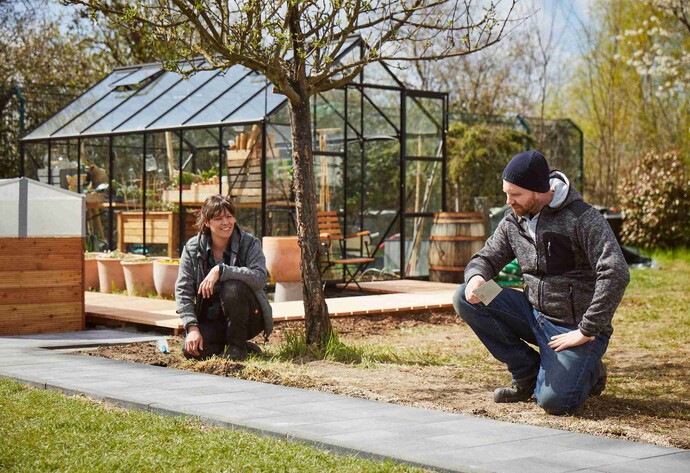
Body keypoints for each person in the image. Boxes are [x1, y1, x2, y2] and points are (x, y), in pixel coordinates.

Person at [453, 150, 629, 415]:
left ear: (538, 190)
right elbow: (486, 257)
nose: (508, 201)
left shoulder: (582, 217)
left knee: (555, 403)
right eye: (506, 193)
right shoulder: (513, 220)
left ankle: (590, 369)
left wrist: (587, 330)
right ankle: (526, 373)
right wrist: (476, 277)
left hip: (574, 328)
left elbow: (615, 271)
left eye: (515, 194)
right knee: (464, 296)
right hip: (532, 313)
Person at [175, 194, 273, 360]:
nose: (226, 223)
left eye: (229, 216)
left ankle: (237, 347)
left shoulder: (249, 243)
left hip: (249, 318)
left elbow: (260, 278)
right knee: (192, 352)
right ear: (207, 222)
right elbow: (182, 291)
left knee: (232, 286)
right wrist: (192, 328)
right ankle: (242, 346)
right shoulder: (192, 248)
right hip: (213, 318)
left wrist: (222, 271)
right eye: (219, 218)